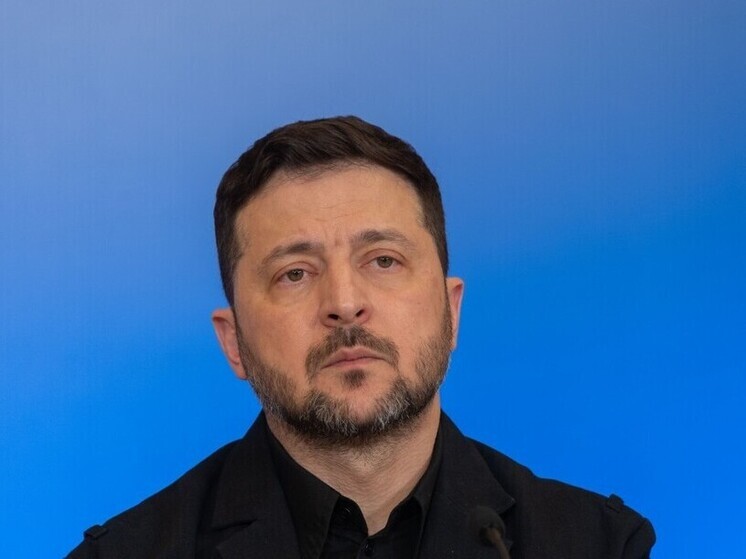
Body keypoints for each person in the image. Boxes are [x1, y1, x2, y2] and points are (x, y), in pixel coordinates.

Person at [68, 116, 655, 558]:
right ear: (234, 341)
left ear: (451, 311)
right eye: (295, 273)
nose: (345, 303)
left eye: (383, 260)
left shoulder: (598, 546)